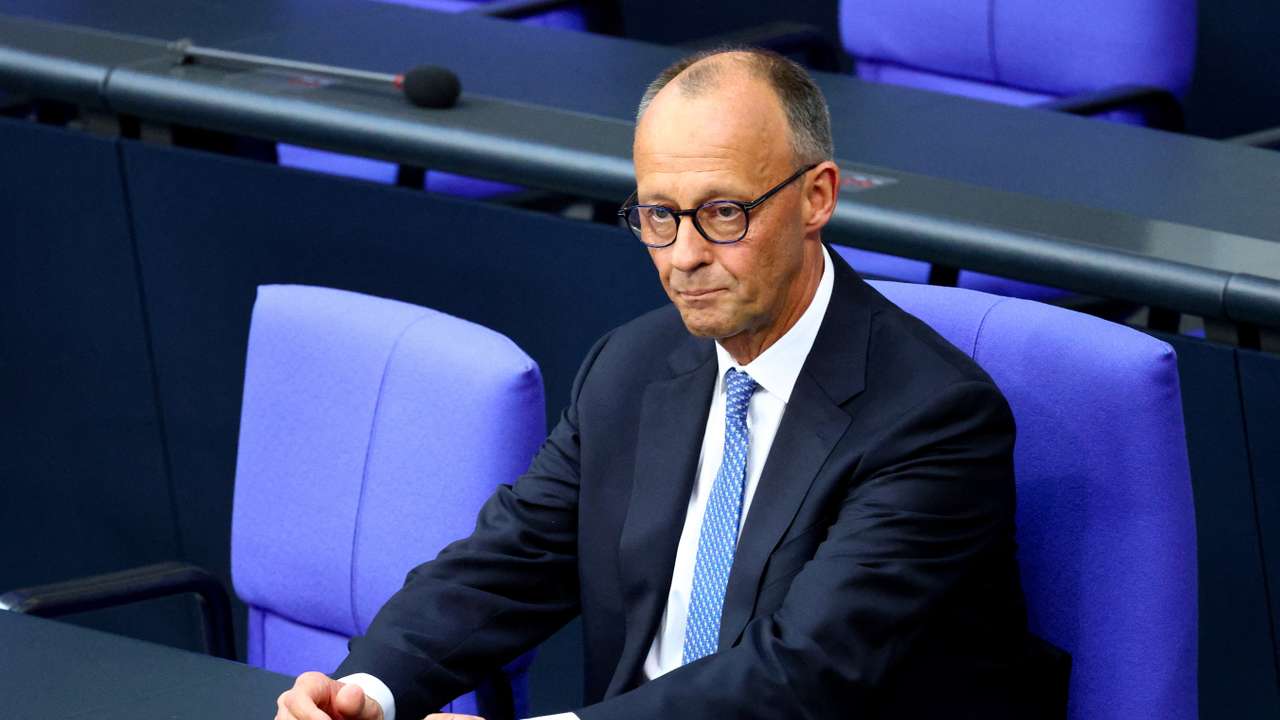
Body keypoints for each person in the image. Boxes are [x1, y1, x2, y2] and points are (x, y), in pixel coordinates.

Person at [275, 48, 1066, 720]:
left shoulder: (933, 419)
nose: (682, 255)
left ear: (817, 197)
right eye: (658, 215)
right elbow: (511, 560)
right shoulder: (632, 365)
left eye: (723, 213)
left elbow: (803, 675)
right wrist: (366, 691)